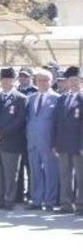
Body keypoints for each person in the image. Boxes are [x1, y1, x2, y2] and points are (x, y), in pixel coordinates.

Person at [0, 67, 27, 210]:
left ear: (14, 81)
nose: (6, 82)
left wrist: (1, 133)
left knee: (10, 173)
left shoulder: (21, 98)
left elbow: (20, 121)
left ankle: (9, 200)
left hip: (11, 142)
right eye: (3, 79)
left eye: (9, 79)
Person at [25, 70, 60, 211]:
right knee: (35, 171)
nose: (42, 83)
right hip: (33, 141)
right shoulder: (31, 98)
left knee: (50, 171)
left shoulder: (58, 98)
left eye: (45, 80)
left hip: (49, 142)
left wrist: (56, 143)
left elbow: (58, 123)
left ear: (51, 81)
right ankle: (36, 200)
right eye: (39, 80)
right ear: (36, 82)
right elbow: (28, 119)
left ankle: (50, 201)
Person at [52, 66, 83, 215]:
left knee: (80, 176)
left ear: (81, 81)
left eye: (76, 80)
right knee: (65, 175)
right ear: (67, 82)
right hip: (63, 144)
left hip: (79, 145)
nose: (73, 83)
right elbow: (56, 123)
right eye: (71, 80)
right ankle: (66, 204)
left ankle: (81, 205)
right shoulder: (62, 98)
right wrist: (54, 144)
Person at [16, 67, 37, 203]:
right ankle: (18, 195)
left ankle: (31, 193)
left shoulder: (35, 92)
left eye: (26, 76)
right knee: (17, 166)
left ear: (31, 78)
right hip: (16, 134)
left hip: (31, 134)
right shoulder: (15, 91)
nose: (23, 79)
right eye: (21, 76)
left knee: (31, 167)